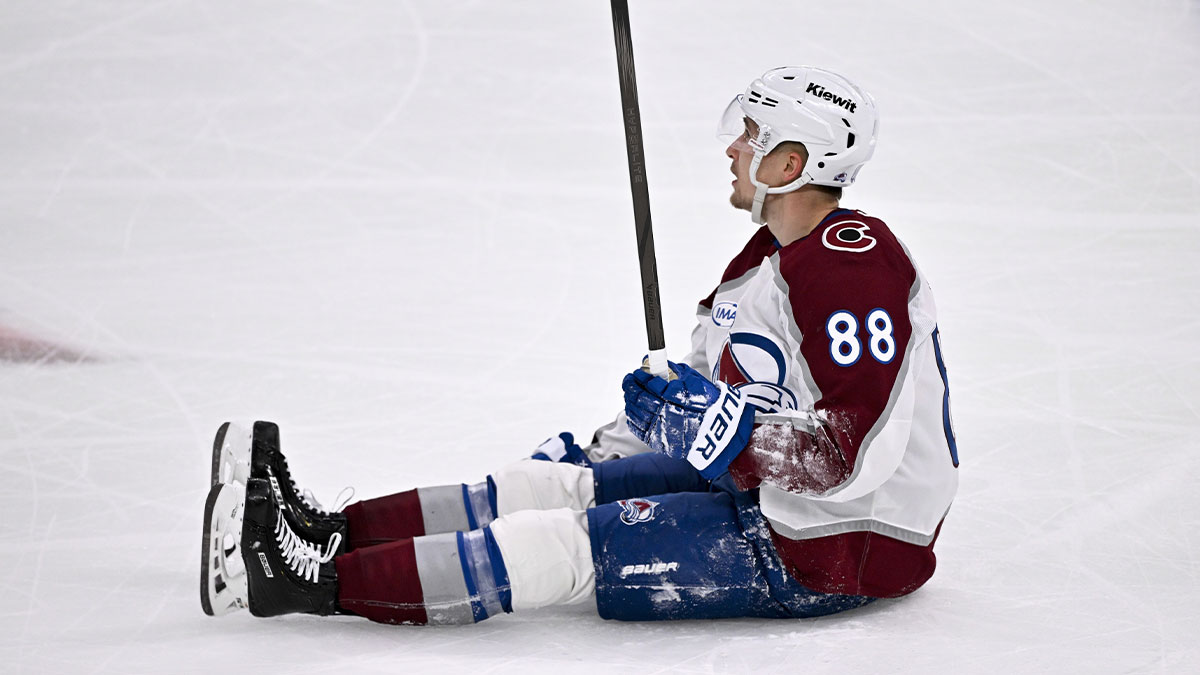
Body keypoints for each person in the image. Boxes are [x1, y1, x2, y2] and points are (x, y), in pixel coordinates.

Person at [200, 65, 960, 625]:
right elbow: (704, 392)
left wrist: (715, 430)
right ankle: (331, 534)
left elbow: (850, 456)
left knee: (556, 544)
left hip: (838, 545)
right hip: (774, 495)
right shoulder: (760, 267)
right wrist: (619, 443)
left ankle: (301, 584)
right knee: (543, 485)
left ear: (791, 163)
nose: (735, 147)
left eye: (754, 135)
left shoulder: (853, 265)